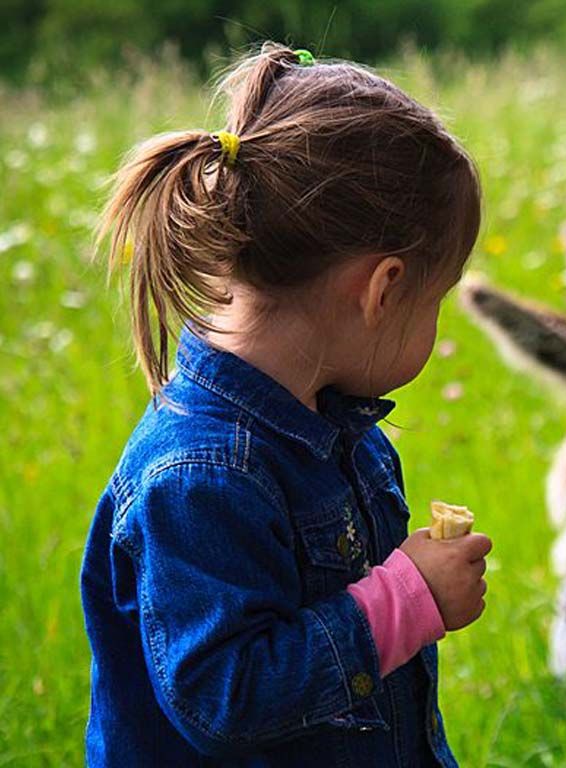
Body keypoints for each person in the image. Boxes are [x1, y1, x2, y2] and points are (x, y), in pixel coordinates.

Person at [80, 42, 489, 767]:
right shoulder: (201, 477)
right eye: (436, 301)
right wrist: (407, 601)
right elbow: (225, 699)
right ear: (383, 288)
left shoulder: (331, 421)